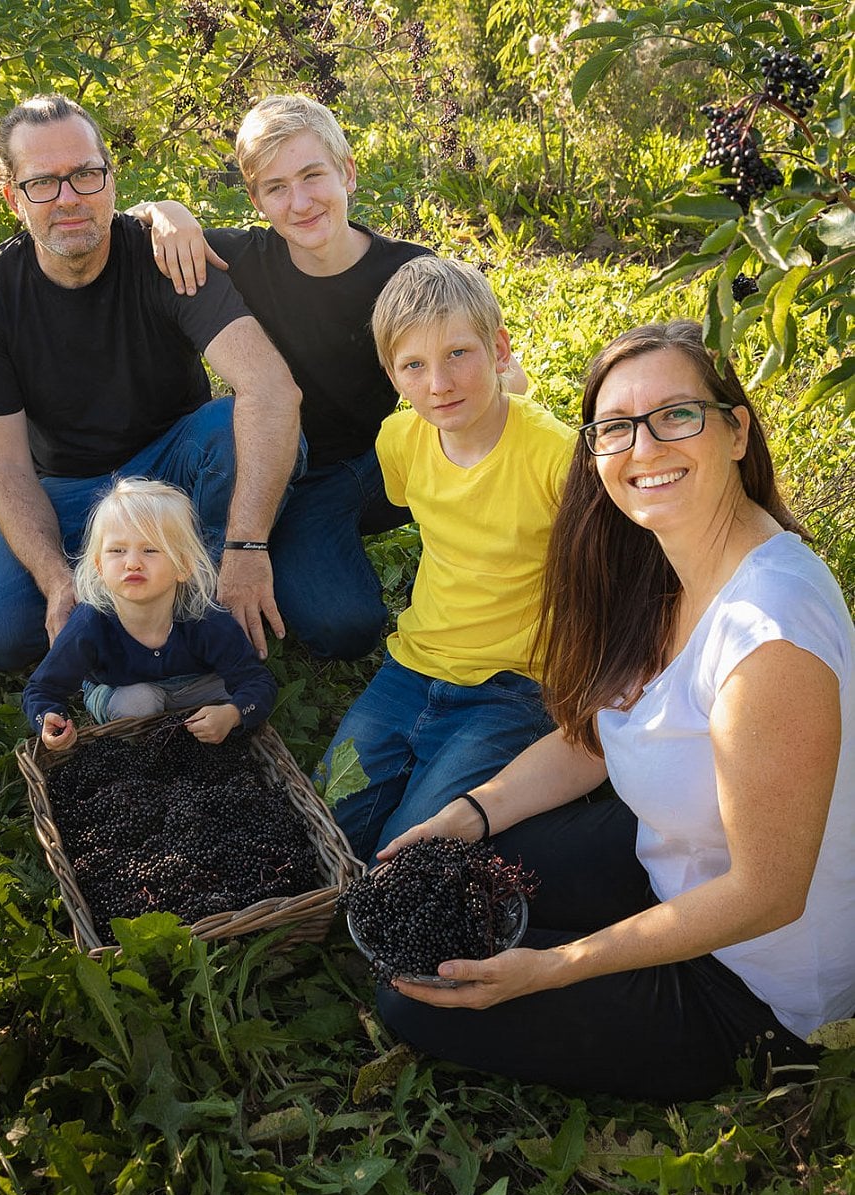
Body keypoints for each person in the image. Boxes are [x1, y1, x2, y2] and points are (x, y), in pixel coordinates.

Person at [372, 319, 854, 1102]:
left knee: (417, 998)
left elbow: (769, 893)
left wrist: (559, 967)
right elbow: (596, 736)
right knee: (453, 885)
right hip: (671, 861)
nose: (645, 448)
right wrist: (471, 812)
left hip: (755, 980)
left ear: (736, 431)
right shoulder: (665, 564)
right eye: (616, 428)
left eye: (676, 415)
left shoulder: (770, 638)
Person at [133, 94, 527, 659]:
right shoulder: (239, 257)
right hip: (270, 462)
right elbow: (123, 230)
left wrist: (500, 398)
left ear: (347, 171)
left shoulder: (406, 273)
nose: (300, 202)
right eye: (276, 188)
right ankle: (278, 547)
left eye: (313, 175)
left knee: (348, 628)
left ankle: (355, 548)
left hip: (364, 464)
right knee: (337, 617)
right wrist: (166, 209)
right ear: (257, 200)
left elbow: (499, 369)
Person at [0, 93, 301, 672]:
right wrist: (56, 579)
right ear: (16, 198)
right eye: (44, 183)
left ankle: (201, 618)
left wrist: (246, 547)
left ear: (110, 179)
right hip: (69, 490)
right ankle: (112, 608)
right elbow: (5, 467)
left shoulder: (165, 254)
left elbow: (271, 388)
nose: (69, 198)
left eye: (86, 174)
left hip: (173, 470)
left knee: (231, 430)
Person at [317, 256, 575, 863]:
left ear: (500, 347)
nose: (440, 383)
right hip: (411, 667)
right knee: (328, 824)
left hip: (512, 685)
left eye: (459, 353)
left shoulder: (557, 458)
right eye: (415, 365)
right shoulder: (399, 441)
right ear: (393, 375)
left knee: (411, 854)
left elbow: (603, 575)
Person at [23, 478, 277, 750]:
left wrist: (234, 713)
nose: (132, 563)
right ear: (99, 565)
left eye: (150, 550)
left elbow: (258, 682)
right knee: (138, 702)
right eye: (117, 551)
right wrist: (48, 718)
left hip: (195, 686)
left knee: (233, 696)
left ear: (183, 566)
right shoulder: (90, 623)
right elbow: (41, 689)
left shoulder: (204, 618)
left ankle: (204, 730)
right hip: (122, 690)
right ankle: (140, 744)